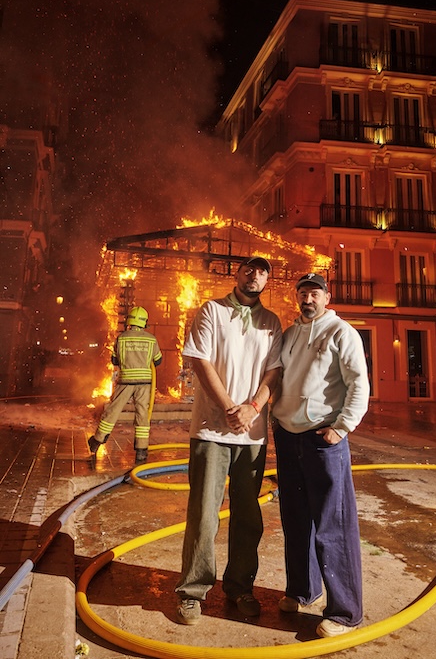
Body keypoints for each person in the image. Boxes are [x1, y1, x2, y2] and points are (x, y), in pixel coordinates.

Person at [176, 257, 282, 625]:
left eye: (262, 271)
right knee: (204, 514)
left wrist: (252, 408)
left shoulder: (272, 323)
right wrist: (229, 408)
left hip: (252, 435)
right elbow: (199, 362)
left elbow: (274, 371)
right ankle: (192, 591)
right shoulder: (212, 310)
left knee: (248, 516)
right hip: (210, 430)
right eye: (249, 269)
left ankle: (240, 588)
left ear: (268, 279)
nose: (255, 275)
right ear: (237, 274)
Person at [271, 273, 370, 639]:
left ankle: (345, 612)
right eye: (302, 293)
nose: (308, 298)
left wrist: (341, 428)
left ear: (327, 297)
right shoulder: (291, 333)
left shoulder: (342, 332)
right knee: (296, 520)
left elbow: (359, 382)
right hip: (289, 437)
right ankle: (303, 591)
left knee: (333, 525)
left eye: (314, 292)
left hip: (322, 439)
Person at [88, 305, 162, 464]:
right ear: (144, 323)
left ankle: (97, 441)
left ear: (129, 321)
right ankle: (141, 451)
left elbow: (114, 361)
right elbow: (158, 360)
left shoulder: (121, 338)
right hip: (144, 383)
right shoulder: (151, 339)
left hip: (125, 381)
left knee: (113, 411)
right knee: (142, 414)